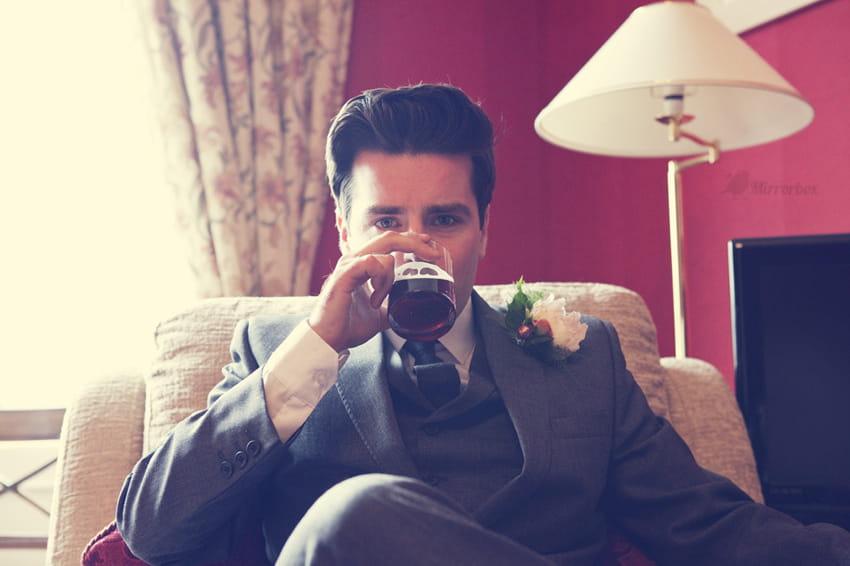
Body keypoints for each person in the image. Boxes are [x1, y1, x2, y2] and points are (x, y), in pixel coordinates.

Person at [116, 83, 850, 565]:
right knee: (355, 514)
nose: (415, 246)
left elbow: (709, 525)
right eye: (385, 221)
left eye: (443, 220)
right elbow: (153, 530)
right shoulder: (278, 357)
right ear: (343, 229)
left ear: (483, 229)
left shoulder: (586, 357)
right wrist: (318, 349)